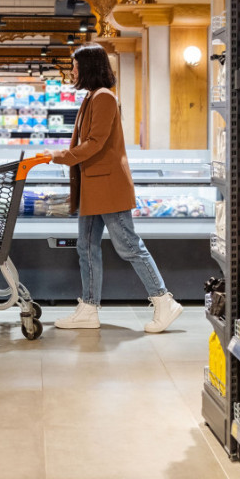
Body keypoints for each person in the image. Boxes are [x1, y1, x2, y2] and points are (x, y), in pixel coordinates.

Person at [43, 44, 183, 333]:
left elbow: (95, 143)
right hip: (94, 187)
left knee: (129, 246)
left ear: (89, 68)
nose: (72, 71)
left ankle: (163, 301)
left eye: (75, 66)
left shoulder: (104, 98)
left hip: (107, 187)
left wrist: (59, 157)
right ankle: (89, 308)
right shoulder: (92, 98)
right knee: (86, 246)